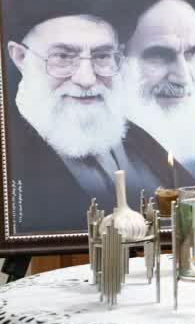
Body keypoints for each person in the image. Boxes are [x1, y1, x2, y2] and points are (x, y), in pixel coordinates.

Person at [5, 13, 177, 232]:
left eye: (102, 56)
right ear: (21, 57)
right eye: (63, 56)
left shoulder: (138, 139)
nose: (86, 79)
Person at [122, 0, 195, 184]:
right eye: (161, 55)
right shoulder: (103, 160)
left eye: (191, 53)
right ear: (118, 61)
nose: (183, 77)